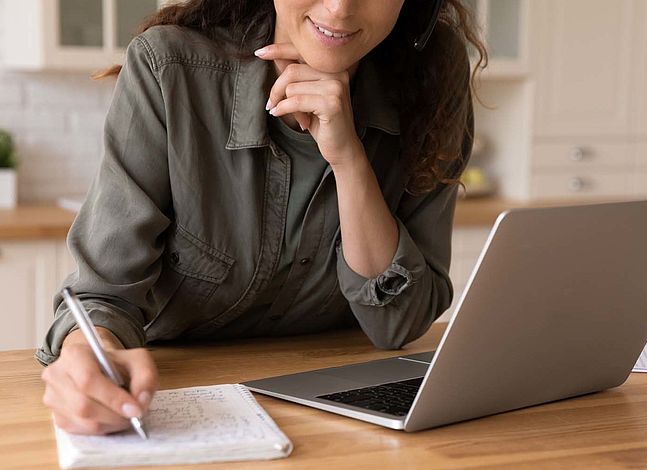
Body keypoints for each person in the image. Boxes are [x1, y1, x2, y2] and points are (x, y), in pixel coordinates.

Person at [37, 0, 486, 436]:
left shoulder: (432, 82)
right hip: (181, 405)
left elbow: (400, 323)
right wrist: (86, 356)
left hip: (346, 418)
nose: (339, 9)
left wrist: (348, 159)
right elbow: (104, 300)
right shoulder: (170, 69)